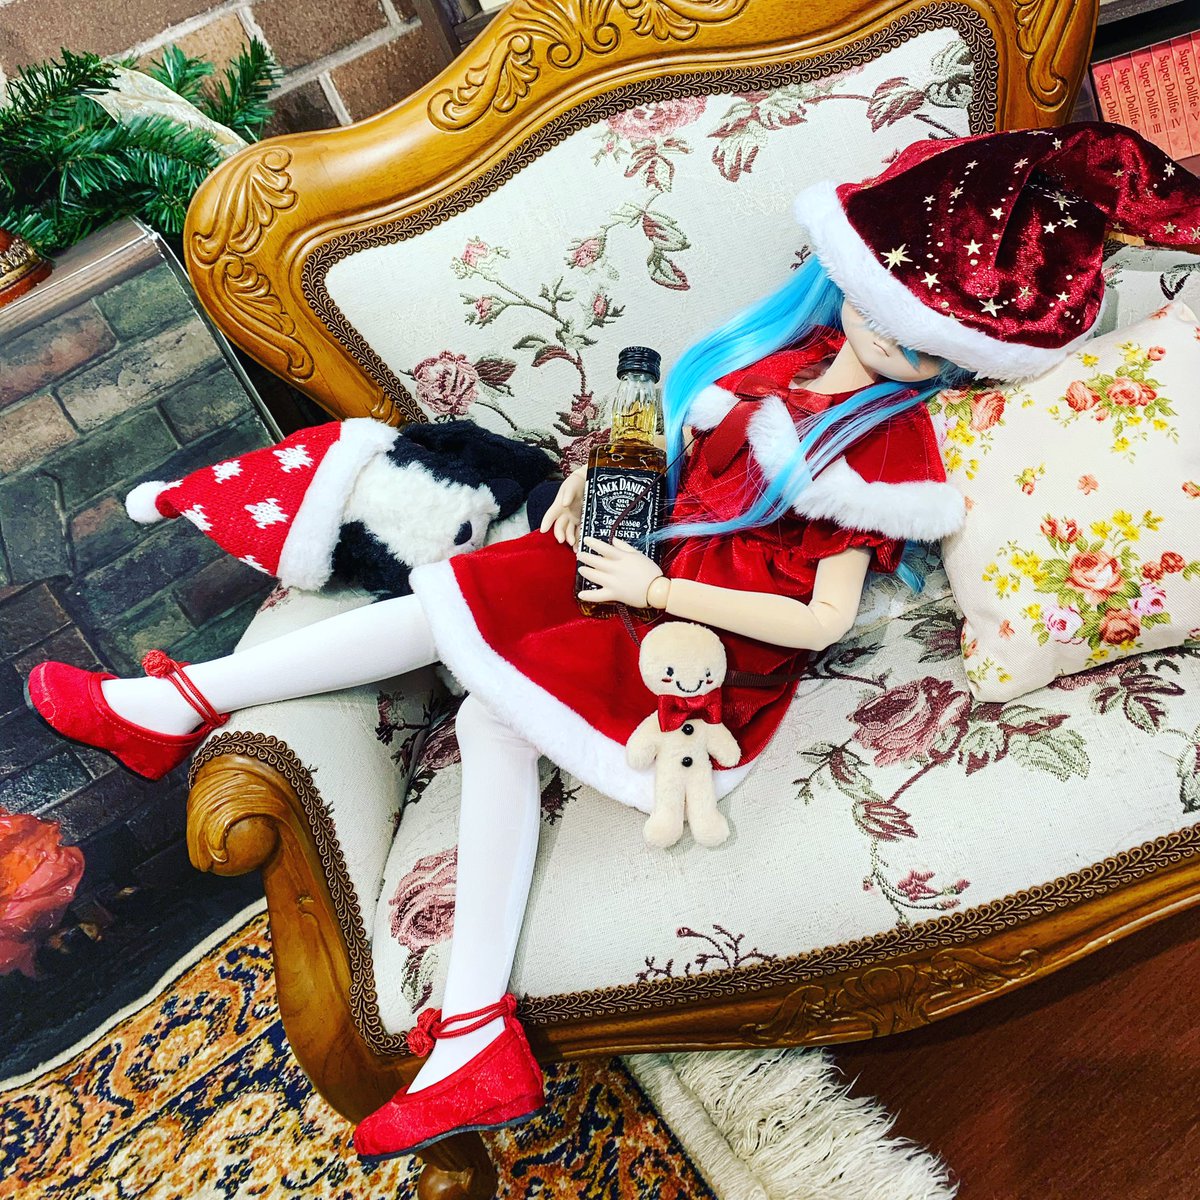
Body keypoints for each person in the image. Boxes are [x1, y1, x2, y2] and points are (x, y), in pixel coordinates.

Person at [27, 121, 1200, 1162]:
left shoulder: (887, 454)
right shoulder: (770, 362)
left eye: (927, 342)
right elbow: (677, 472)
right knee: (461, 601)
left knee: (489, 707)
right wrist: (596, 487)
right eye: (881, 304)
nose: (893, 344)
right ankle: (199, 722)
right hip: (642, 577)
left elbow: (819, 619)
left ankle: (450, 1004)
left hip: (711, 644)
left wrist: (655, 582)